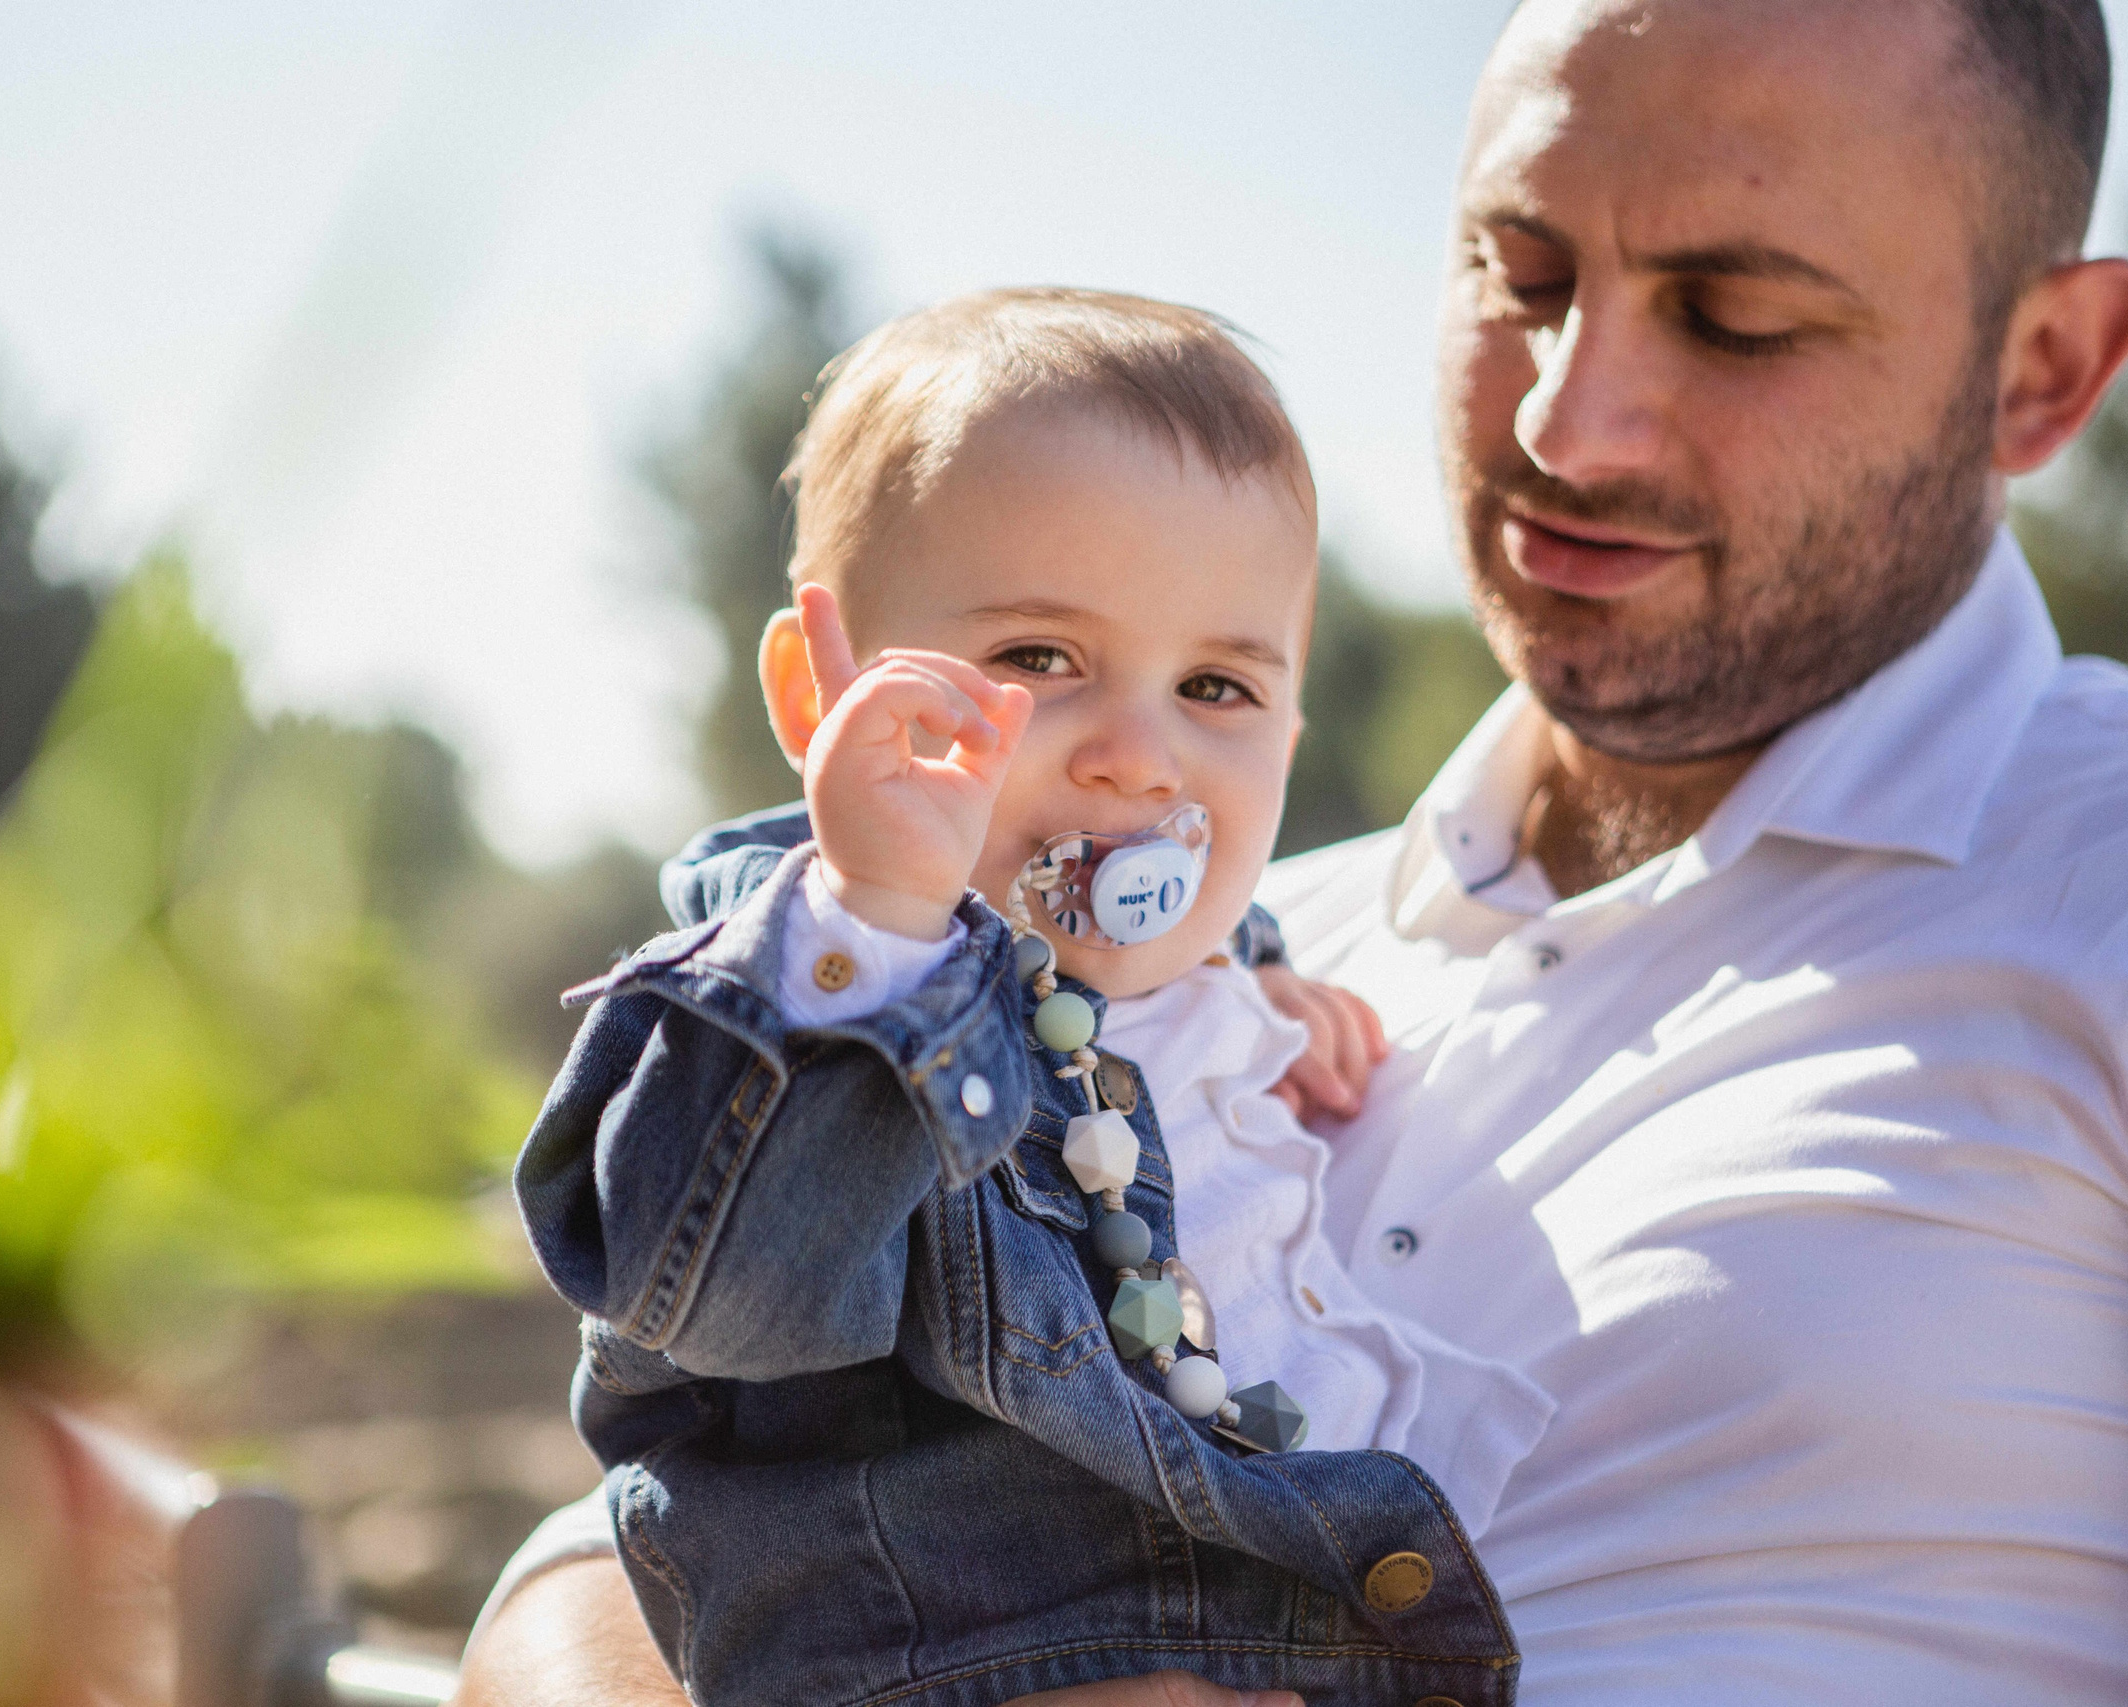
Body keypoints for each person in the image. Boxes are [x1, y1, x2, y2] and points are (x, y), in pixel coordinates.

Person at [460, 1, 2128, 1702]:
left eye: (1733, 316)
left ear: (2044, 365)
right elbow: (650, 1526)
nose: (1570, 419)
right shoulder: (1180, 972)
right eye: (1520, 276)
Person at [512, 288, 1553, 1707]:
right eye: (1038, 661)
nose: (1140, 757)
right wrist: (877, 925)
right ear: (821, 696)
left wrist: (1256, 983)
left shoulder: (1215, 977)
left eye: (1217, 687)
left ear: (1293, 723)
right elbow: (721, 1304)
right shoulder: (818, 999)